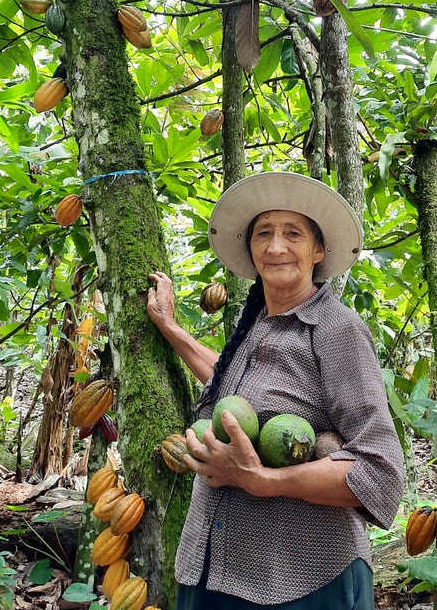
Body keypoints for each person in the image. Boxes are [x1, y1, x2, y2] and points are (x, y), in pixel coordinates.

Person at [148, 171, 404, 610]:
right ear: (250, 248)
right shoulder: (256, 325)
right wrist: (171, 329)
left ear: (318, 250)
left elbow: (381, 473)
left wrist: (263, 481)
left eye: (293, 234)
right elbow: (231, 386)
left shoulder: (338, 330)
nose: (276, 246)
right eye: (263, 233)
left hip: (300, 581)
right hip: (208, 567)